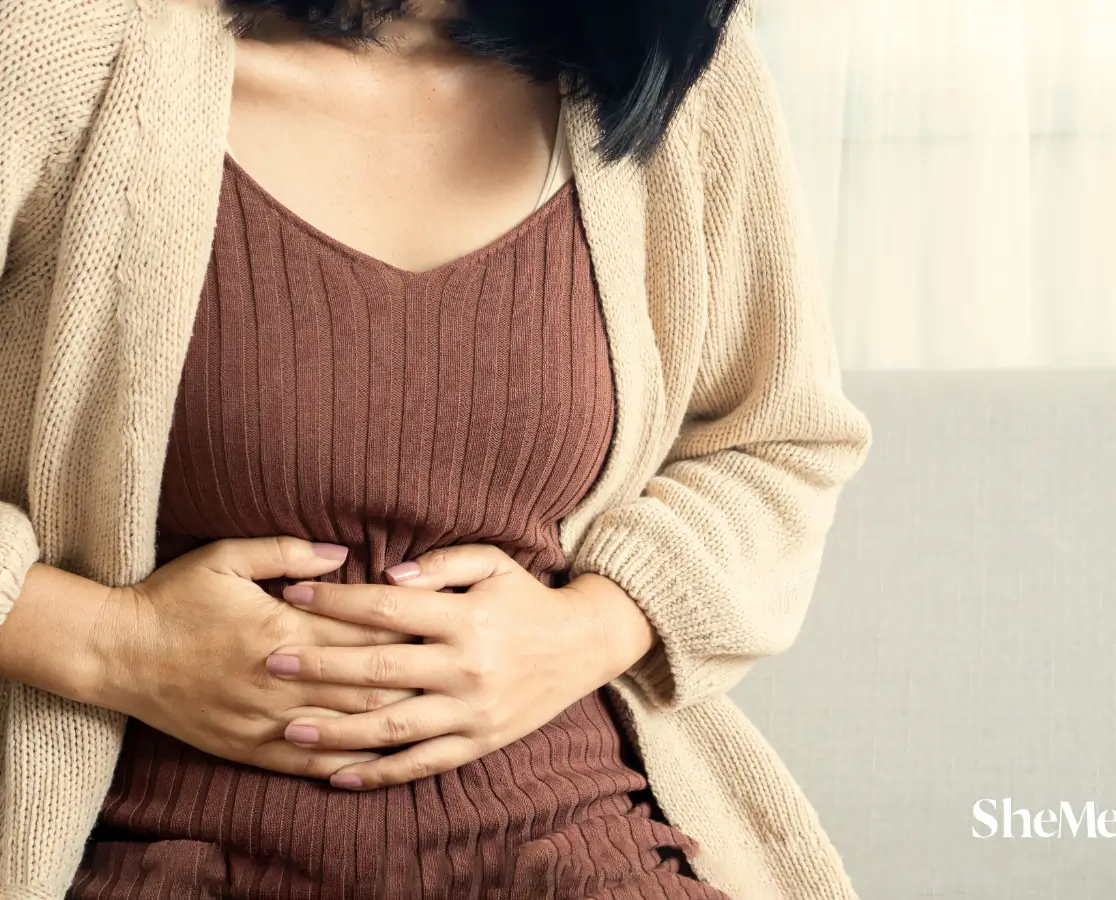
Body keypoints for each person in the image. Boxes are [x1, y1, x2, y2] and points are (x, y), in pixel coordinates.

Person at [0, 0, 874, 897]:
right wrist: (114, 645)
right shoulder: (60, 47)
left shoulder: (669, 70)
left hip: (581, 842)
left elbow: (779, 441)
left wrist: (595, 627)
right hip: (154, 845)